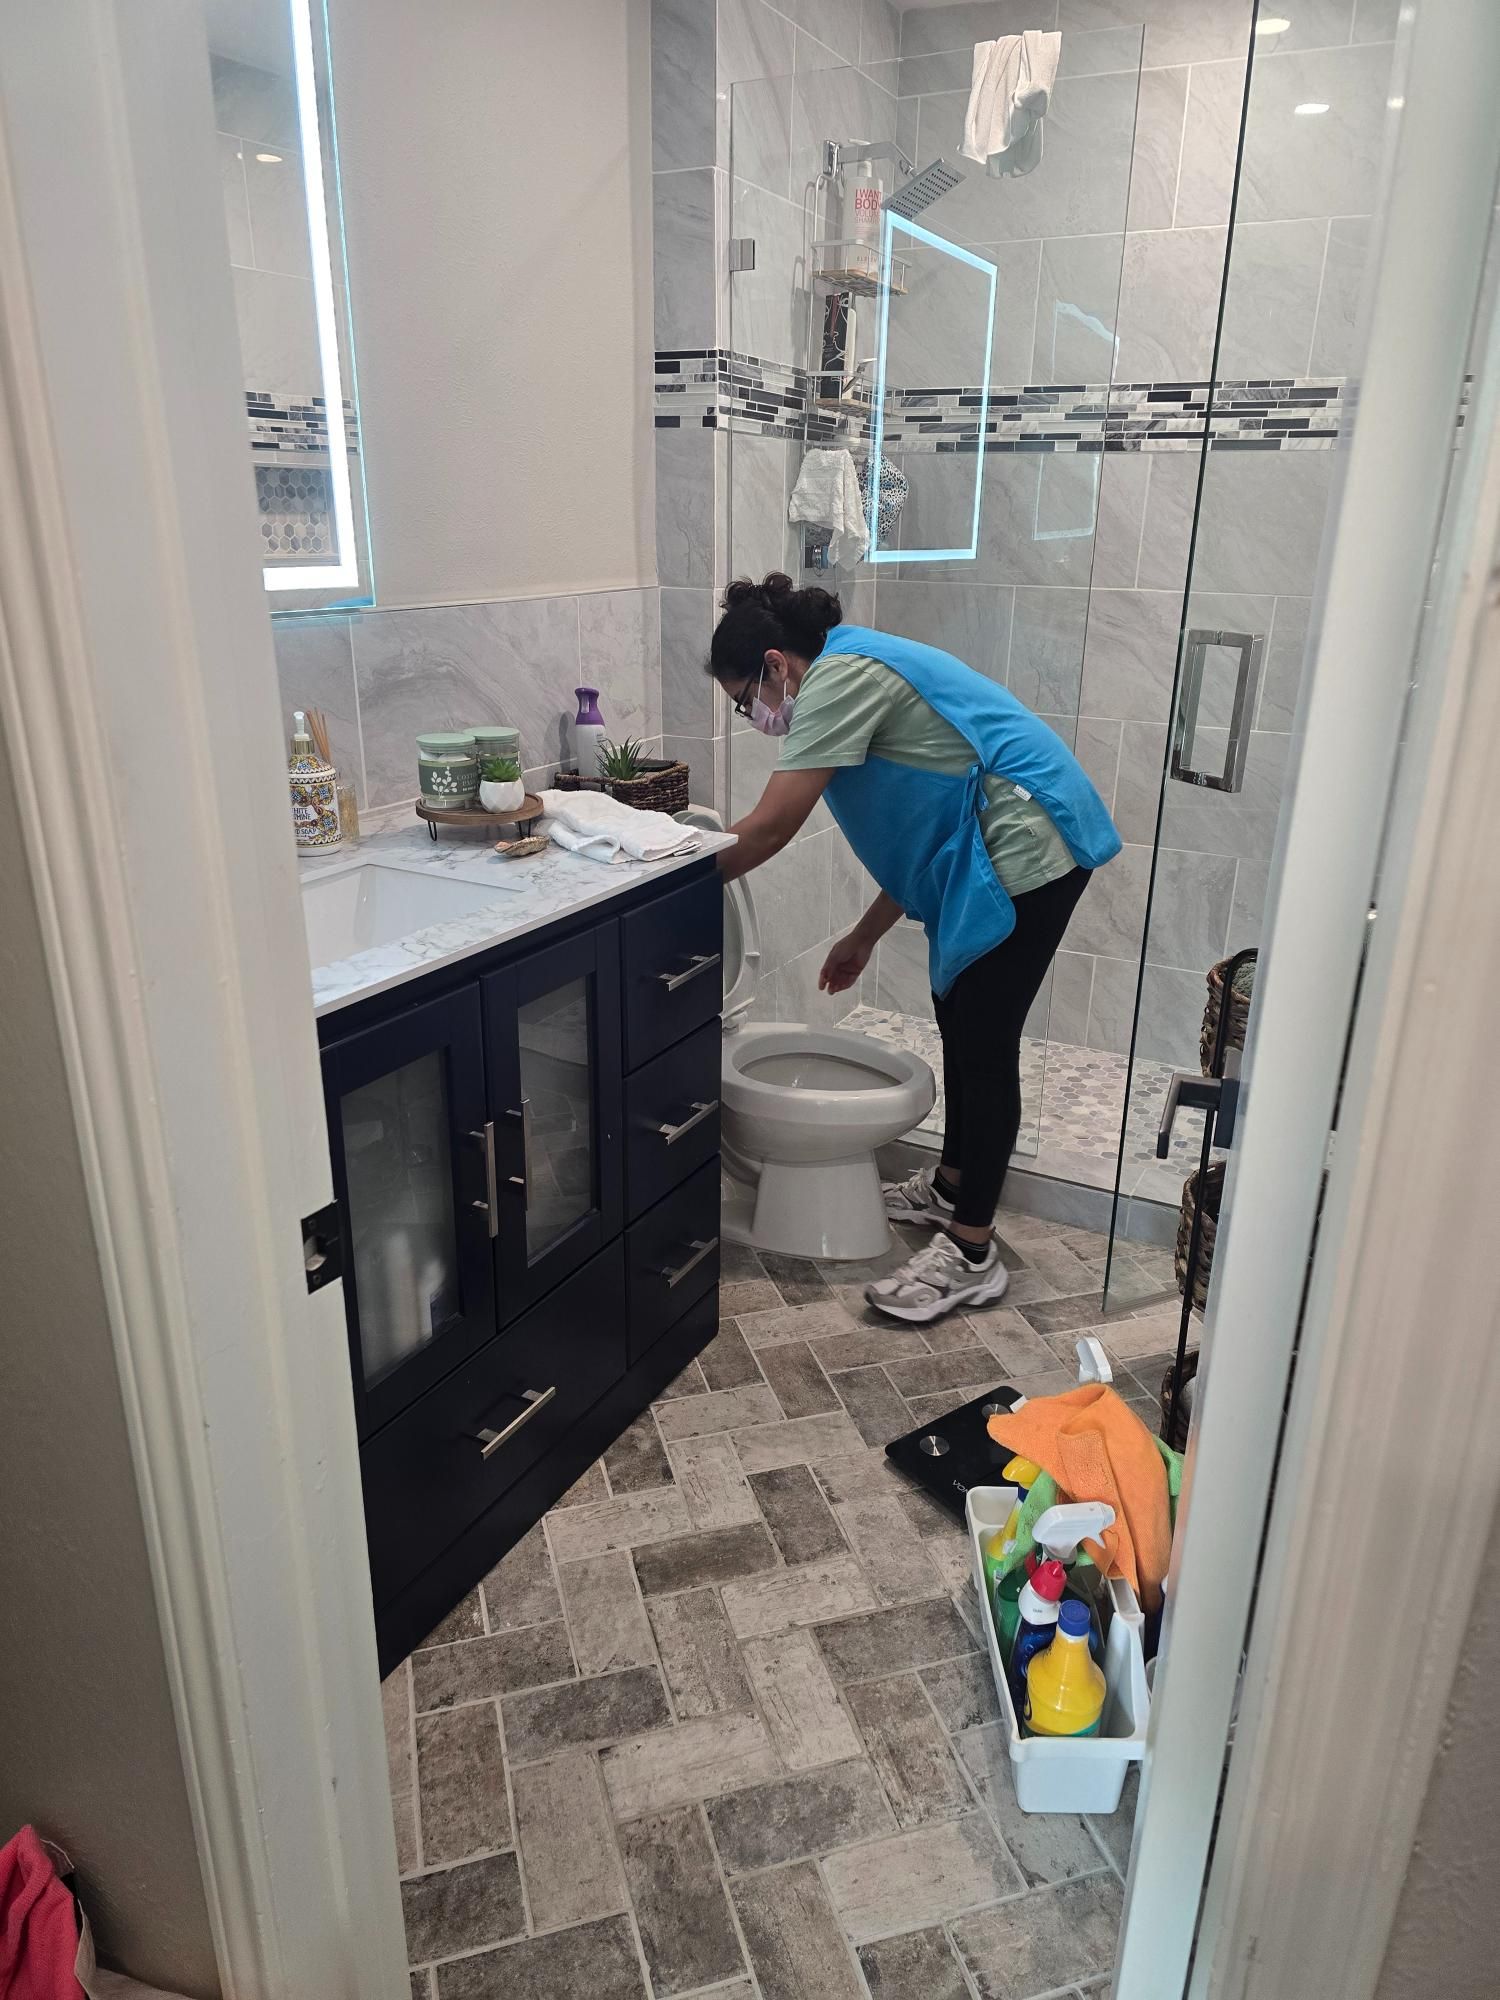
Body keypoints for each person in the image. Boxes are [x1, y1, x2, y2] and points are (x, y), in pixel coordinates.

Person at [709, 573, 1120, 1324]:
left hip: (1031, 848)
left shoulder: (839, 679)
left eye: (746, 701)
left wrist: (656, 886)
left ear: (776, 664)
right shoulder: (854, 662)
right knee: (958, 1017)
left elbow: (771, 827)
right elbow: (922, 815)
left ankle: (970, 1255)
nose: (755, 716)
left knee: (984, 1042)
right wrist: (864, 935)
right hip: (983, 848)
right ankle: (951, 1187)